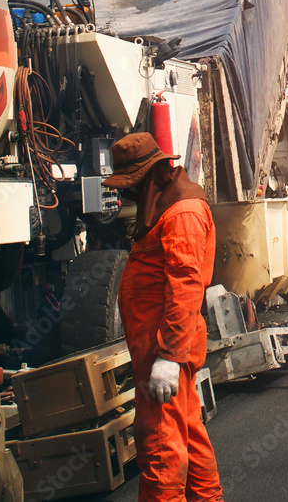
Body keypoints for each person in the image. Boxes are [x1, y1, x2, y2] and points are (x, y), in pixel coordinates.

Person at [102, 133, 224, 502]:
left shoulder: (181, 213)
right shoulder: (173, 205)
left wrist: (168, 357)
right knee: (187, 432)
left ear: (149, 176)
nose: (129, 196)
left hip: (163, 350)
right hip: (162, 348)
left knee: (159, 445)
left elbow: (186, 287)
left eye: (132, 187)